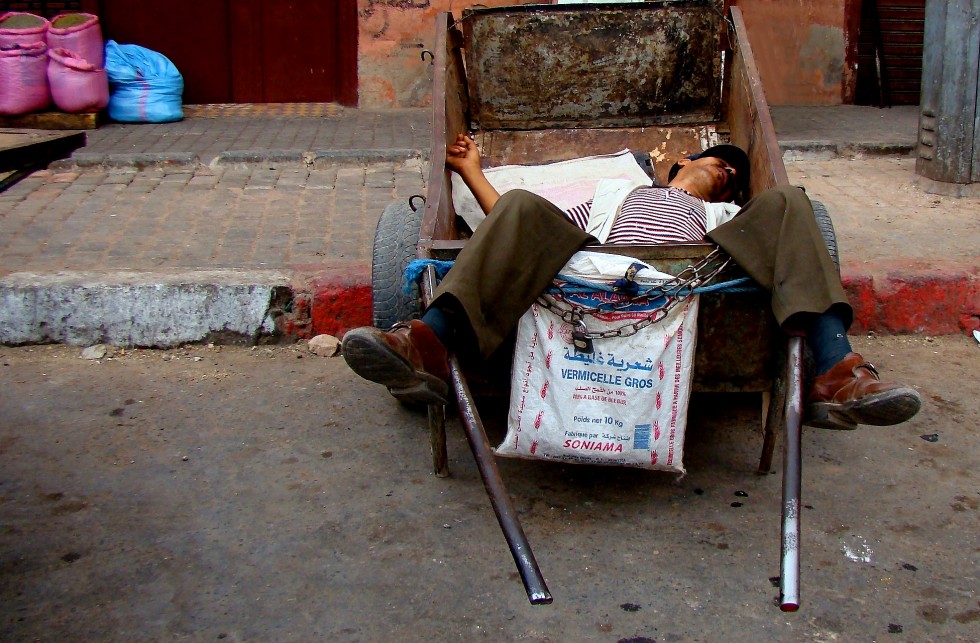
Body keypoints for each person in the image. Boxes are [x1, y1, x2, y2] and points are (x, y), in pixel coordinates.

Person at [342, 135, 921, 430]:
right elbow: (515, 228)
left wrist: (748, 210)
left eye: (734, 179)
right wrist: (472, 172)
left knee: (793, 201)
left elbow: (777, 241)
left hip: (690, 275)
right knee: (521, 204)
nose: (728, 177)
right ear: (679, 165)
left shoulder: (726, 219)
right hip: (588, 267)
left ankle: (835, 374)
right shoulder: (614, 196)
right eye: (720, 165)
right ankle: (425, 346)